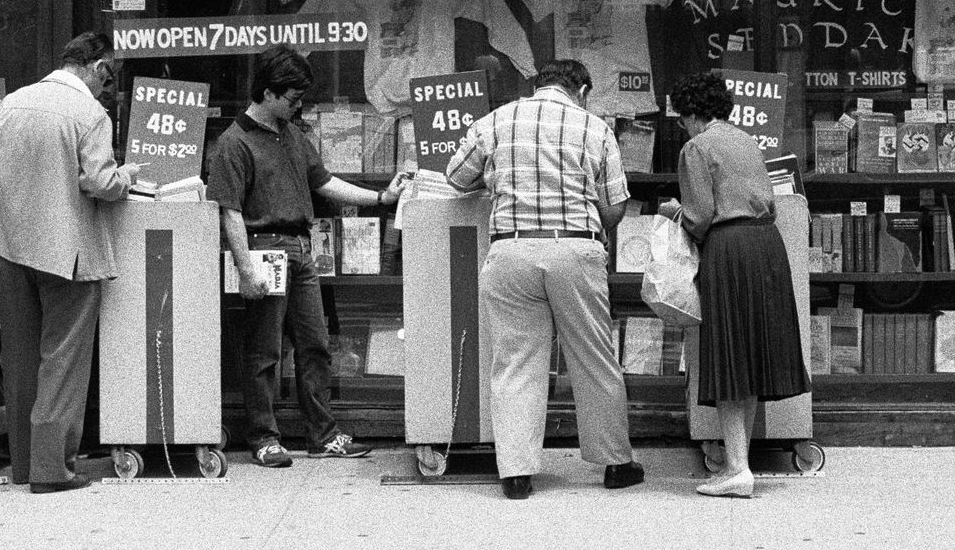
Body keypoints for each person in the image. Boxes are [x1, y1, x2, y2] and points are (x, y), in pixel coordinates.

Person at [444, 58, 642, 500]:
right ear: (583, 90)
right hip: (575, 247)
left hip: (511, 250)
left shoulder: (493, 121)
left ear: (537, 85)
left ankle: (515, 473)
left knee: (515, 362)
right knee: (594, 358)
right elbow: (614, 208)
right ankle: (615, 463)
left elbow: (456, 179)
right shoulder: (595, 129)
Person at [207, 44, 403, 467]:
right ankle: (263, 437)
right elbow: (230, 212)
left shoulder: (292, 133)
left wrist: (381, 198)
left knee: (314, 344)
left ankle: (323, 434)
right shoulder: (233, 143)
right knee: (264, 352)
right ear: (269, 92)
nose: (299, 107)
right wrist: (245, 267)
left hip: (300, 247)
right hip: (264, 249)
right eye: (293, 98)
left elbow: (325, 182)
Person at [0, 32, 138, 492]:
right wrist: (126, 175)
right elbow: (100, 182)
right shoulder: (90, 113)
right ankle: (52, 472)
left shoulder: (13, 102)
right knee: (63, 361)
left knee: (23, 358)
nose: (106, 91)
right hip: (66, 250)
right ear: (99, 68)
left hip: (10, 246)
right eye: (108, 81)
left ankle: (25, 466)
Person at [663, 71, 811, 498]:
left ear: (692, 114)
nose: (681, 125)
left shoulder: (697, 147)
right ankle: (737, 464)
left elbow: (699, 215)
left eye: (681, 117)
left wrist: (673, 211)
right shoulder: (747, 141)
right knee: (750, 356)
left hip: (729, 249)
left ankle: (737, 468)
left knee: (729, 356)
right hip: (768, 247)